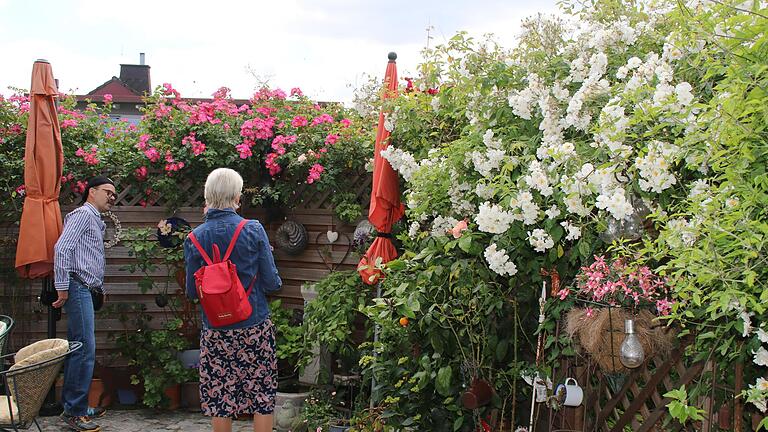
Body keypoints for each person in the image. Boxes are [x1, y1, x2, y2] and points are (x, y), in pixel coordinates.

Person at [184, 168, 282, 432]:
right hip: (255, 325)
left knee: (220, 396)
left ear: (208, 197)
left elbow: (193, 293)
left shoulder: (194, 239)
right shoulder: (253, 229)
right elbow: (273, 283)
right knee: (261, 396)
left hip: (216, 330)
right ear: (237, 197)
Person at [53, 175, 116, 432]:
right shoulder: (82, 215)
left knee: (80, 347)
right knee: (83, 349)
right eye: (107, 192)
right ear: (91, 192)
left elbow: (85, 256)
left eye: (113, 194)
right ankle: (75, 412)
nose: (111, 197)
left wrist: (99, 288)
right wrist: (62, 286)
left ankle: (75, 406)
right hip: (77, 287)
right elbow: (62, 249)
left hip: (86, 289)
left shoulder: (94, 219)